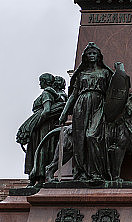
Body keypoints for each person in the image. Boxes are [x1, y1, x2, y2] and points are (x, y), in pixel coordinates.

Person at [59, 42, 114, 181]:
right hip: (81, 104)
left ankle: (96, 172)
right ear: (85, 56)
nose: (91, 56)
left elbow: (113, 92)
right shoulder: (81, 73)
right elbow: (73, 94)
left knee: (92, 135)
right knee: (80, 139)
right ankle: (81, 172)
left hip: (98, 104)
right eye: (89, 54)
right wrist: (64, 112)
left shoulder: (105, 73)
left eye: (94, 53)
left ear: (99, 56)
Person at [16, 73, 65, 185]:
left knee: (40, 150)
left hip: (43, 126)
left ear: (46, 82)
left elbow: (47, 110)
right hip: (43, 125)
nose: (39, 83)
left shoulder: (47, 93)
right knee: (39, 150)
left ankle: (39, 176)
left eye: (41, 81)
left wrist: (36, 123)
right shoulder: (53, 93)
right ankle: (37, 176)